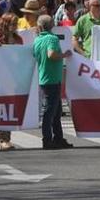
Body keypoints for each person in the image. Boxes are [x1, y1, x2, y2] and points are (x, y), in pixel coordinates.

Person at [33, 15, 73, 150]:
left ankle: (58, 138)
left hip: (44, 77)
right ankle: (47, 139)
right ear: (52, 26)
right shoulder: (52, 38)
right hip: (52, 79)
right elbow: (51, 54)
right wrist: (64, 55)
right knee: (50, 111)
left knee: (56, 111)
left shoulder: (37, 40)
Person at [0, 13, 23, 150]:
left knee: (10, 108)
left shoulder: (18, 39)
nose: (15, 27)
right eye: (13, 24)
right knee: (1, 108)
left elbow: (22, 57)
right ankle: (3, 139)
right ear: (5, 24)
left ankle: (7, 138)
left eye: (16, 24)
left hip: (14, 77)